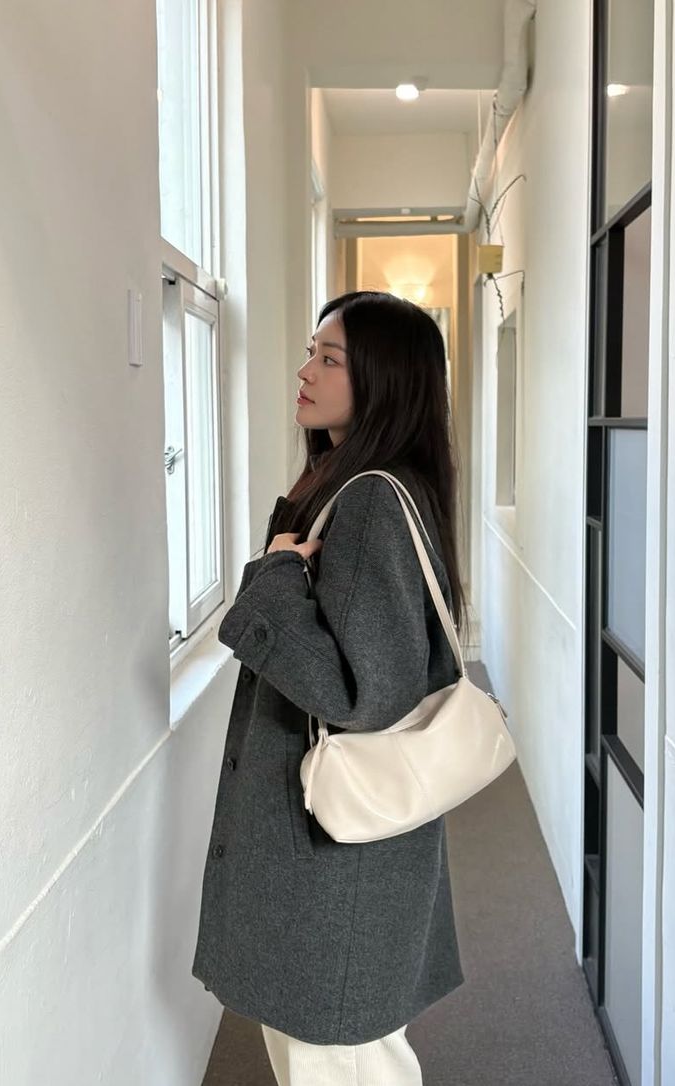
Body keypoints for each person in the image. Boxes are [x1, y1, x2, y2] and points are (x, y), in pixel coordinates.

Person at [191, 290, 470, 1085]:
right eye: (311, 352)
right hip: (340, 849)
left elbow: (362, 695)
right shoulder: (353, 484)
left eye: (330, 358)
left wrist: (276, 575)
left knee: (336, 1060)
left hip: (333, 856)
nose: (305, 370)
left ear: (384, 377)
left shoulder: (373, 499)